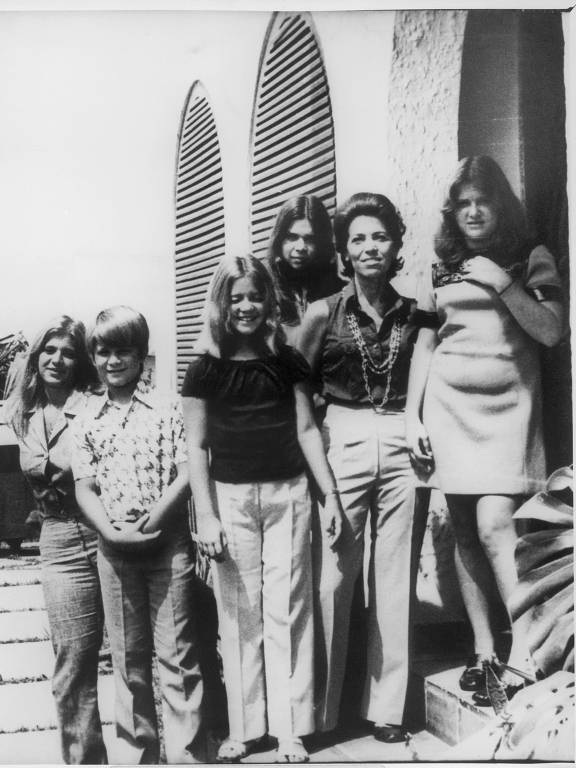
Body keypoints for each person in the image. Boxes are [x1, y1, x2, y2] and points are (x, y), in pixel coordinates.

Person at [405, 155, 564, 704]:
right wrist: (412, 415)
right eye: (463, 203)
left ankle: (526, 649)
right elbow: (427, 342)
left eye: (483, 201)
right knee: (465, 530)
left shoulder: (528, 258)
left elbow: (549, 332)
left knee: (498, 523)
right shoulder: (442, 265)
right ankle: (483, 652)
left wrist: (501, 283)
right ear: (453, 212)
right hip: (449, 410)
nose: (473, 212)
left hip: (508, 411)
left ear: (501, 206)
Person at [181, 255, 344, 764]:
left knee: (289, 609)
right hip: (230, 498)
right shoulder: (205, 367)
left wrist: (329, 495)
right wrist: (205, 516)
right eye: (236, 298)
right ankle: (246, 728)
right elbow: (195, 448)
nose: (246, 307)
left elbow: (306, 429)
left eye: (255, 296)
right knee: (238, 612)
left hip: (287, 492)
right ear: (221, 304)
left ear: (268, 301)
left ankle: (290, 730)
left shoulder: (287, 360)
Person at [298, 193, 434, 742]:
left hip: (402, 434)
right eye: (358, 238)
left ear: (396, 244)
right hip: (343, 436)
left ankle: (387, 710)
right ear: (344, 251)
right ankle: (322, 716)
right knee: (334, 577)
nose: (370, 247)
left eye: (379, 236)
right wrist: (317, 464)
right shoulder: (321, 313)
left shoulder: (414, 312)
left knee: (395, 576)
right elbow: (297, 390)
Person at [72, 306, 204, 764]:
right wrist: (111, 531)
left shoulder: (167, 406)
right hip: (114, 549)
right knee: (129, 662)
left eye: (123, 351)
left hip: (167, 546)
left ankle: (187, 755)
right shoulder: (86, 417)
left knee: (178, 657)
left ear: (142, 354)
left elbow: (188, 473)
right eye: (103, 351)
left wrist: (150, 525)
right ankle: (137, 755)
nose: (113, 361)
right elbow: (84, 486)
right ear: (93, 356)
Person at [5, 315, 107, 764]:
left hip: (107, 533)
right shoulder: (21, 413)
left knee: (130, 658)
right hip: (59, 540)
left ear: (80, 360)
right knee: (72, 664)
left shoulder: (96, 405)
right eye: (50, 350)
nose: (57, 359)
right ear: (36, 356)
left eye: (68, 352)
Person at [266, 195, 344, 344]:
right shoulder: (263, 287)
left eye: (310, 239)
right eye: (292, 237)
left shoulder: (338, 290)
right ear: (279, 238)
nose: (300, 247)